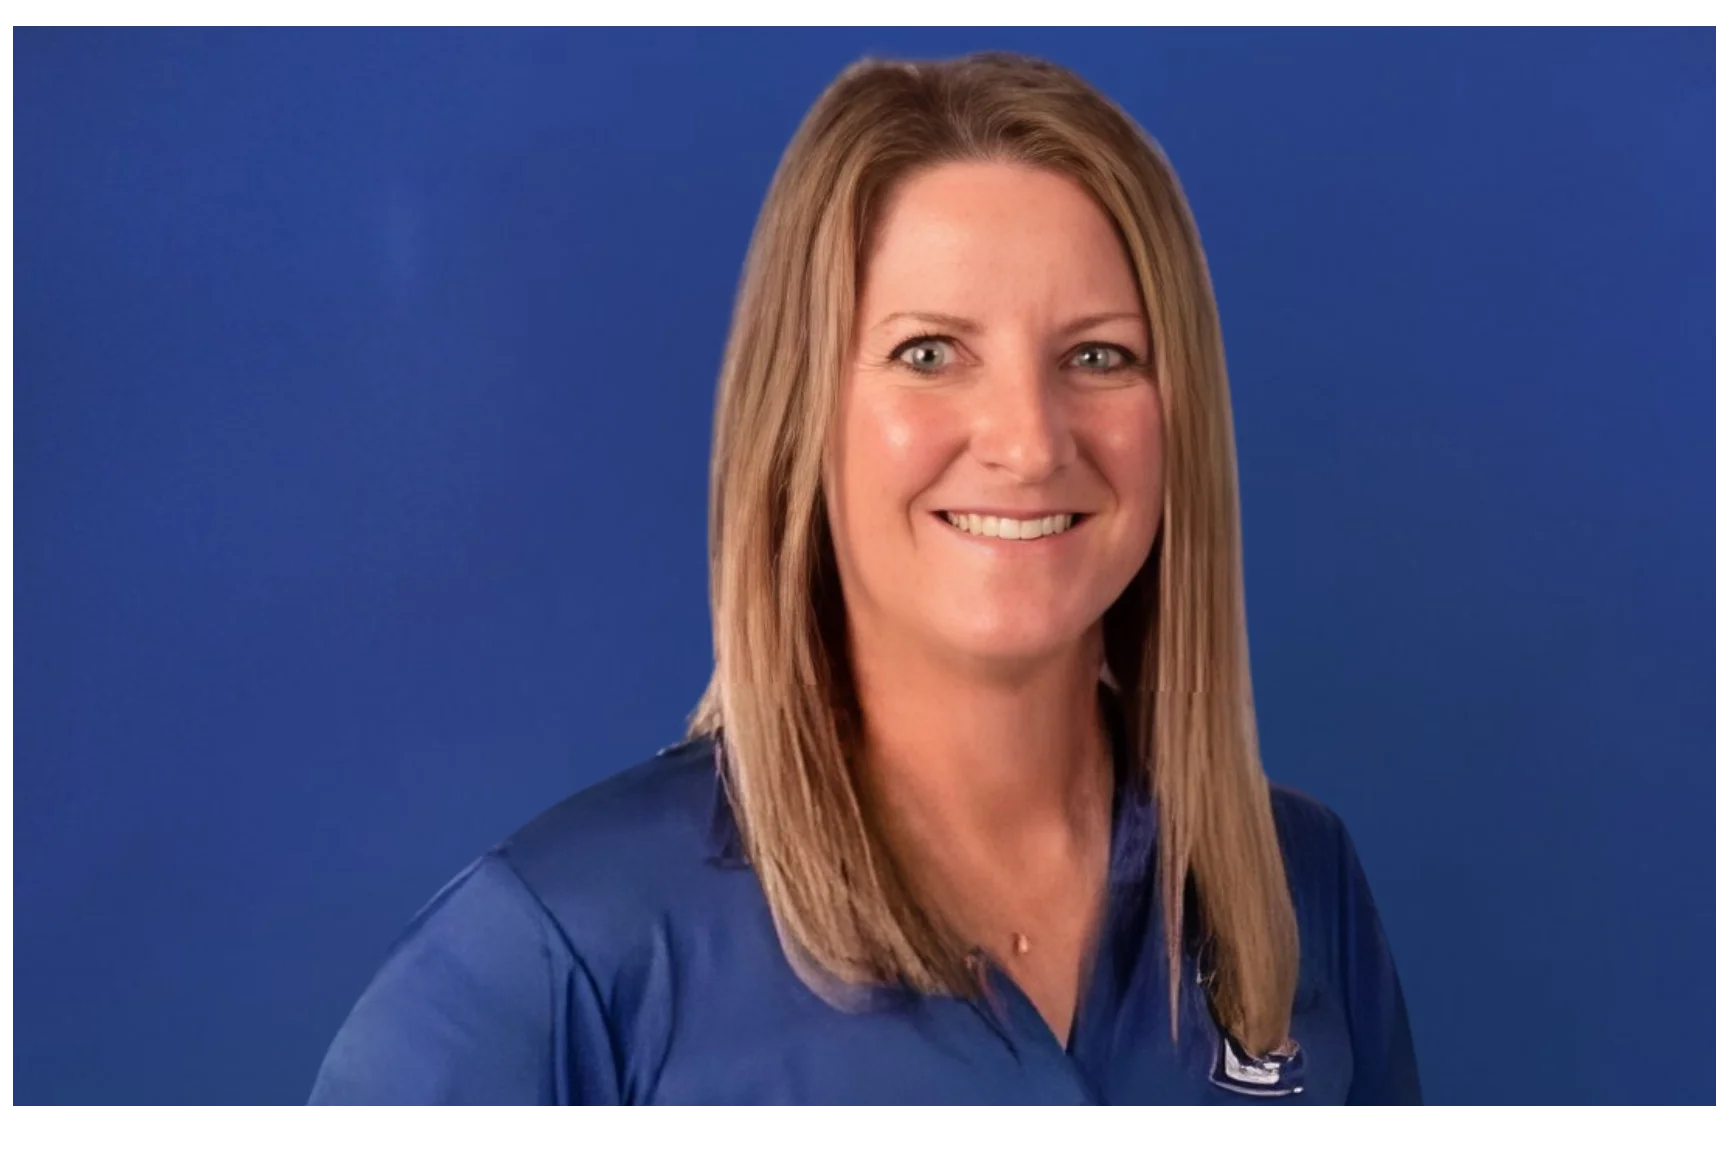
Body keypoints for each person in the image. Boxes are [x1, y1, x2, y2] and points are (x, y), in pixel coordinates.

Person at [307, 50, 1422, 1110]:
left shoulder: (1295, 890)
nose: (1029, 442)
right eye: (929, 353)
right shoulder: (558, 960)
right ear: (800, 423)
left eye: (1098, 355)